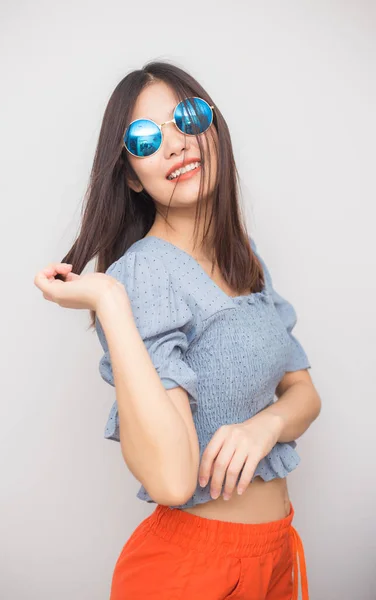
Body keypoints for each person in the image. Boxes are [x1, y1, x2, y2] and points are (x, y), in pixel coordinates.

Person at [34, 61, 321, 599]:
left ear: (214, 130)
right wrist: (110, 298)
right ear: (129, 174)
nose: (175, 144)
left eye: (187, 118)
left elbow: (304, 391)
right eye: (144, 139)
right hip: (192, 572)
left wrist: (264, 427)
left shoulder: (246, 259)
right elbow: (171, 481)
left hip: (276, 553)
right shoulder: (144, 272)